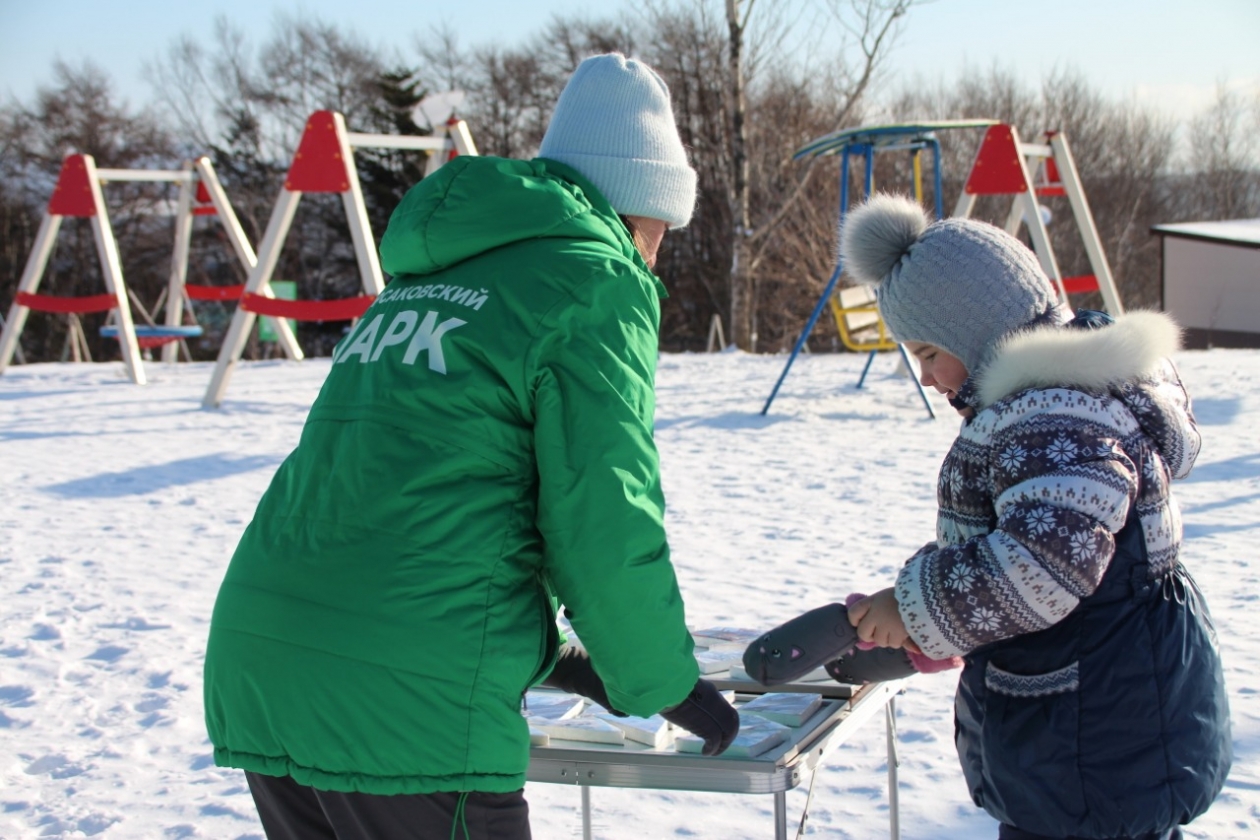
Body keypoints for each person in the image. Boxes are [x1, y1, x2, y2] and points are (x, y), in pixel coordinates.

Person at [203, 53, 739, 840]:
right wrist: (658, 676)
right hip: (404, 703)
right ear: (635, 209)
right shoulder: (597, 281)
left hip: (267, 663)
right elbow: (601, 510)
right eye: (662, 230)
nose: (656, 255)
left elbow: (419, 496)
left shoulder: (424, 282)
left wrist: (555, 657)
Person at [781, 194, 1230, 840]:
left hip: (1094, 736)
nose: (928, 376)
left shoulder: (1057, 420)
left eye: (932, 352)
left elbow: (1039, 569)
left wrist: (915, 607)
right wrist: (936, 627)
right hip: (1083, 728)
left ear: (980, 331)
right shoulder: (1046, 410)